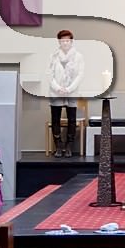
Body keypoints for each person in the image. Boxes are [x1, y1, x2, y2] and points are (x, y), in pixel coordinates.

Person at [47, 29, 84, 157]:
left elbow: (80, 75)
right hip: (55, 91)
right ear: (59, 42)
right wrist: (58, 88)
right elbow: (49, 75)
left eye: (68, 40)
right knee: (55, 119)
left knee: (72, 119)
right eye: (63, 41)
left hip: (71, 91)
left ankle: (69, 146)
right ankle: (58, 146)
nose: (65, 43)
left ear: (71, 42)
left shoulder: (78, 56)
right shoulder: (53, 56)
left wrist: (69, 89)